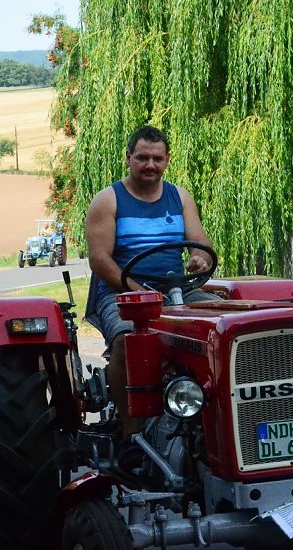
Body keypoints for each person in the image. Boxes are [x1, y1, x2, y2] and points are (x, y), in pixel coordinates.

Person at [85, 125, 218, 446]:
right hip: (121, 292)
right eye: (142, 158)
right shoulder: (108, 200)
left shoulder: (180, 197)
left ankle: (212, 416)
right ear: (128, 157)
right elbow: (99, 260)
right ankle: (130, 430)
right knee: (126, 340)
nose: (150, 165)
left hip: (177, 288)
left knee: (219, 328)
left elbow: (201, 242)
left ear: (167, 160)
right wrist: (135, 289)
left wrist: (200, 258)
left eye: (157, 159)